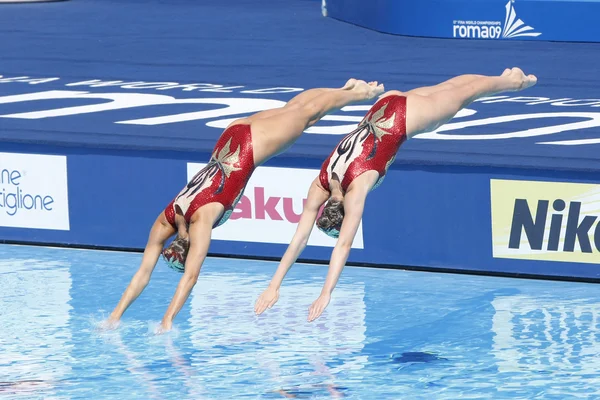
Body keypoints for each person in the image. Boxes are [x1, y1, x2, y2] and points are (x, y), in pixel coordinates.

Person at [255, 67, 537, 322]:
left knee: (463, 94)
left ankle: (511, 82)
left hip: (406, 118)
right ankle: (506, 77)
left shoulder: (356, 191)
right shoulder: (321, 182)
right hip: (383, 107)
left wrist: (326, 293)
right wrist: (273, 285)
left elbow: (341, 246)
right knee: (451, 90)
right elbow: (300, 238)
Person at [105, 79, 385, 332]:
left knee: (305, 113)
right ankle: (347, 89)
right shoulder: (167, 218)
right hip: (230, 137)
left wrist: (168, 321)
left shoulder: (202, 222)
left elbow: (189, 277)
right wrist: (114, 316)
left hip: (252, 147)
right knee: (299, 110)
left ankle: (359, 93)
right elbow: (143, 273)